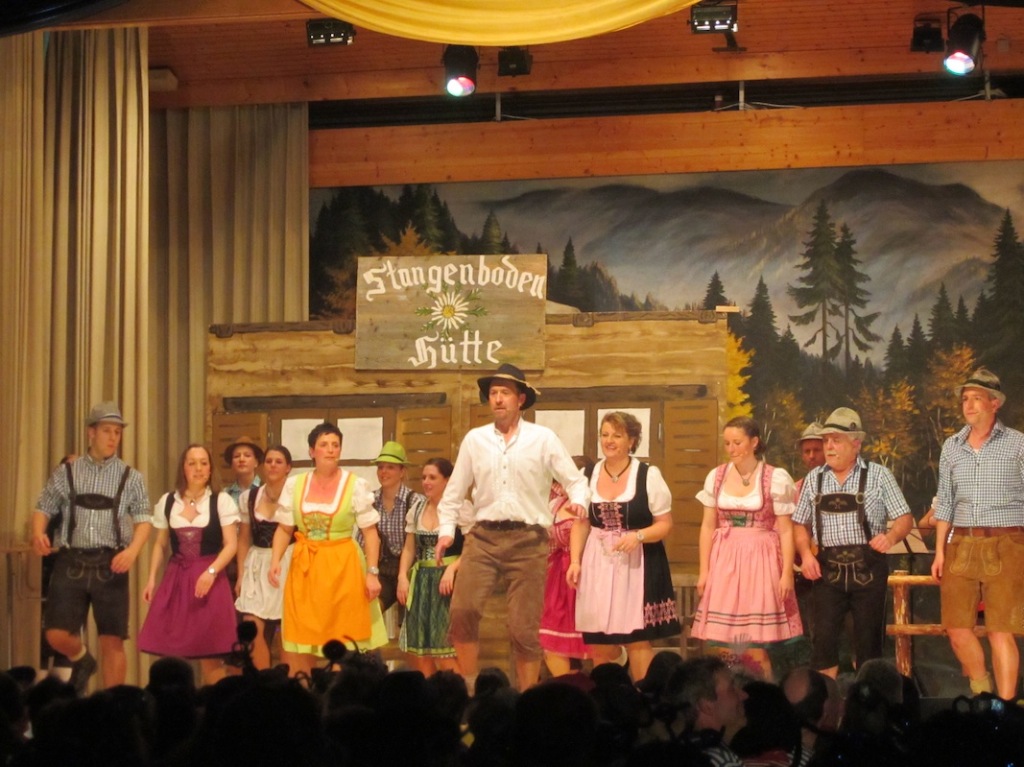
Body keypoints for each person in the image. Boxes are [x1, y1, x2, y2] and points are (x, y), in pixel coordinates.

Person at [435, 363, 589, 692]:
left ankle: (526, 697)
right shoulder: (475, 440)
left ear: (520, 399)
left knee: (523, 628)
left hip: (529, 540)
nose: (498, 399)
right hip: (483, 537)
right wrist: (446, 531)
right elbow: (453, 493)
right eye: (493, 393)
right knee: (462, 611)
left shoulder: (542, 438)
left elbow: (576, 481)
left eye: (505, 393)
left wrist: (579, 502)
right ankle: (471, 687)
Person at [31, 402, 151, 695]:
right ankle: (83, 659)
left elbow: (144, 520)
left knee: (112, 639)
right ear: (91, 433)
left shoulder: (131, 477)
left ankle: (113, 705)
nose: (113, 438)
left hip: (111, 563)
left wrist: (132, 552)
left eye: (117, 432)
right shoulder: (67, 472)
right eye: (107, 431)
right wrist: (37, 533)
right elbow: (43, 506)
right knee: (56, 633)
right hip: (71, 560)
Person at [793, 407, 913, 678]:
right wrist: (806, 555)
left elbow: (905, 518)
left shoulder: (879, 475)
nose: (829, 447)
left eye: (836, 440)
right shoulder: (814, 478)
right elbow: (800, 523)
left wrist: (891, 537)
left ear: (856, 443)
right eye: (826, 440)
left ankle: (867, 698)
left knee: (868, 646)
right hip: (827, 571)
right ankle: (827, 702)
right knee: (823, 645)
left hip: (868, 569)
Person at [930, 367, 1024, 700]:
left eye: (976, 398)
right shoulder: (952, 446)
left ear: (994, 403)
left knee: (1000, 630)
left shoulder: (1017, 444)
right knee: (956, 628)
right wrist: (940, 551)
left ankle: (1005, 709)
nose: (968, 405)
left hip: (1007, 541)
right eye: (965, 399)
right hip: (962, 542)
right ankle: (982, 693)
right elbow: (945, 501)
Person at [269, 422, 387, 678]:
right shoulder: (295, 485)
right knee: (304, 636)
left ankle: (340, 689)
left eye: (335, 445)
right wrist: (275, 560)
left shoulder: (355, 485)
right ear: (312, 451)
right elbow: (284, 529)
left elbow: (370, 533)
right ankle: (306, 690)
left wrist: (372, 572)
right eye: (324, 445)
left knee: (344, 638)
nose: (331, 450)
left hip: (343, 567)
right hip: (306, 568)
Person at [569, 411, 680, 683]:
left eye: (617, 435)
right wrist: (575, 561)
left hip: (637, 563)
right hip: (598, 562)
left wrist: (639, 536)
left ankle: (644, 696)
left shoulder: (647, 475)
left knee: (637, 640)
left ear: (631, 441)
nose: (609, 441)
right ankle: (607, 695)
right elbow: (581, 523)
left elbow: (665, 524)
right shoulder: (588, 475)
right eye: (605, 435)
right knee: (599, 640)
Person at [692, 416, 803, 681]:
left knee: (754, 646)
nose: (731, 449)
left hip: (760, 560)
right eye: (727, 443)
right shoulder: (717, 476)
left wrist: (786, 572)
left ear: (754, 442)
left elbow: (786, 530)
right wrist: (704, 571)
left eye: (737, 442)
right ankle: (729, 691)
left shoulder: (774, 477)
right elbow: (707, 526)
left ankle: (761, 693)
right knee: (724, 645)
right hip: (725, 560)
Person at [138, 444, 240, 685]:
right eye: (192, 463)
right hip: (177, 579)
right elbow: (160, 544)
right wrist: (151, 579)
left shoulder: (220, 501)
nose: (198, 468)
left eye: (204, 463)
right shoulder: (168, 501)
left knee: (209, 654)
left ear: (210, 468)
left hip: (210, 580)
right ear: (183, 468)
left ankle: (214, 702)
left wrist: (211, 571)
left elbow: (231, 545)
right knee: (171, 652)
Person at [396, 457, 463, 675]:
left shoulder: (460, 509)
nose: (426, 482)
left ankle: (459, 692)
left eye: (432, 477)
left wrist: (452, 569)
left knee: (445, 652)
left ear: (447, 480)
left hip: (449, 583)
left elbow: (473, 548)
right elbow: (409, 548)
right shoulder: (417, 509)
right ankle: (430, 692)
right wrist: (402, 577)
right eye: (424, 477)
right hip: (422, 582)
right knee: (421, 653)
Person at [235, 445, 297, 670]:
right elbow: (244, 538)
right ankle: (261, 680)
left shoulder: (296, 496)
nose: (272, 465)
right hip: (256, 564)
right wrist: (241, 575)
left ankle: (290, 683)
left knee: (289, 632)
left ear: (288, 467)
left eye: (278, 461)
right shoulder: (249, 497)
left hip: (288, 562)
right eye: (269, 461)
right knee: (252, 627)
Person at [539, 456, 594, 678]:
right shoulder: (555, 503)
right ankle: (566, 686)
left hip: (588, 574)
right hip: (558, 576)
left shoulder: (592, 503)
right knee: (552, 642)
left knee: (597, 642)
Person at [369, 440, 424, 613]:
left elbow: (420, 546)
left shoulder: (416, 501)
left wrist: (403, 577)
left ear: (402, 472)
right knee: (369, 609)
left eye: (390, 467)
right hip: (382, 570)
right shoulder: (370, 501)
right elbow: (363, 542)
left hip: (412, 571)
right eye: (380, 467)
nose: (383, 472)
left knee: (413, 616)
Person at [663, 656, 748, 767]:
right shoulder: (722, 761)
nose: (744, 695)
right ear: (706, 706)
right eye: (731, 689)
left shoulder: (677, 755)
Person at [222, 435, 264, 506]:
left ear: (256, 462)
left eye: (247, 455)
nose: (241, 459)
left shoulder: (265, 490)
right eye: (236, 456)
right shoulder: (225, 494)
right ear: (231, 464)